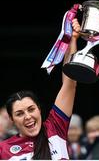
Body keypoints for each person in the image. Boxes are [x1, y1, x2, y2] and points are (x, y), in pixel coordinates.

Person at [0, 18, 80, 160]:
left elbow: (69, 84)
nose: (28, 116)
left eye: (31, 109)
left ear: (39, 109)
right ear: (12, 120)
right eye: (19, 114)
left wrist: (72, 39)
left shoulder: (55, 127)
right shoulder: (3, 149)